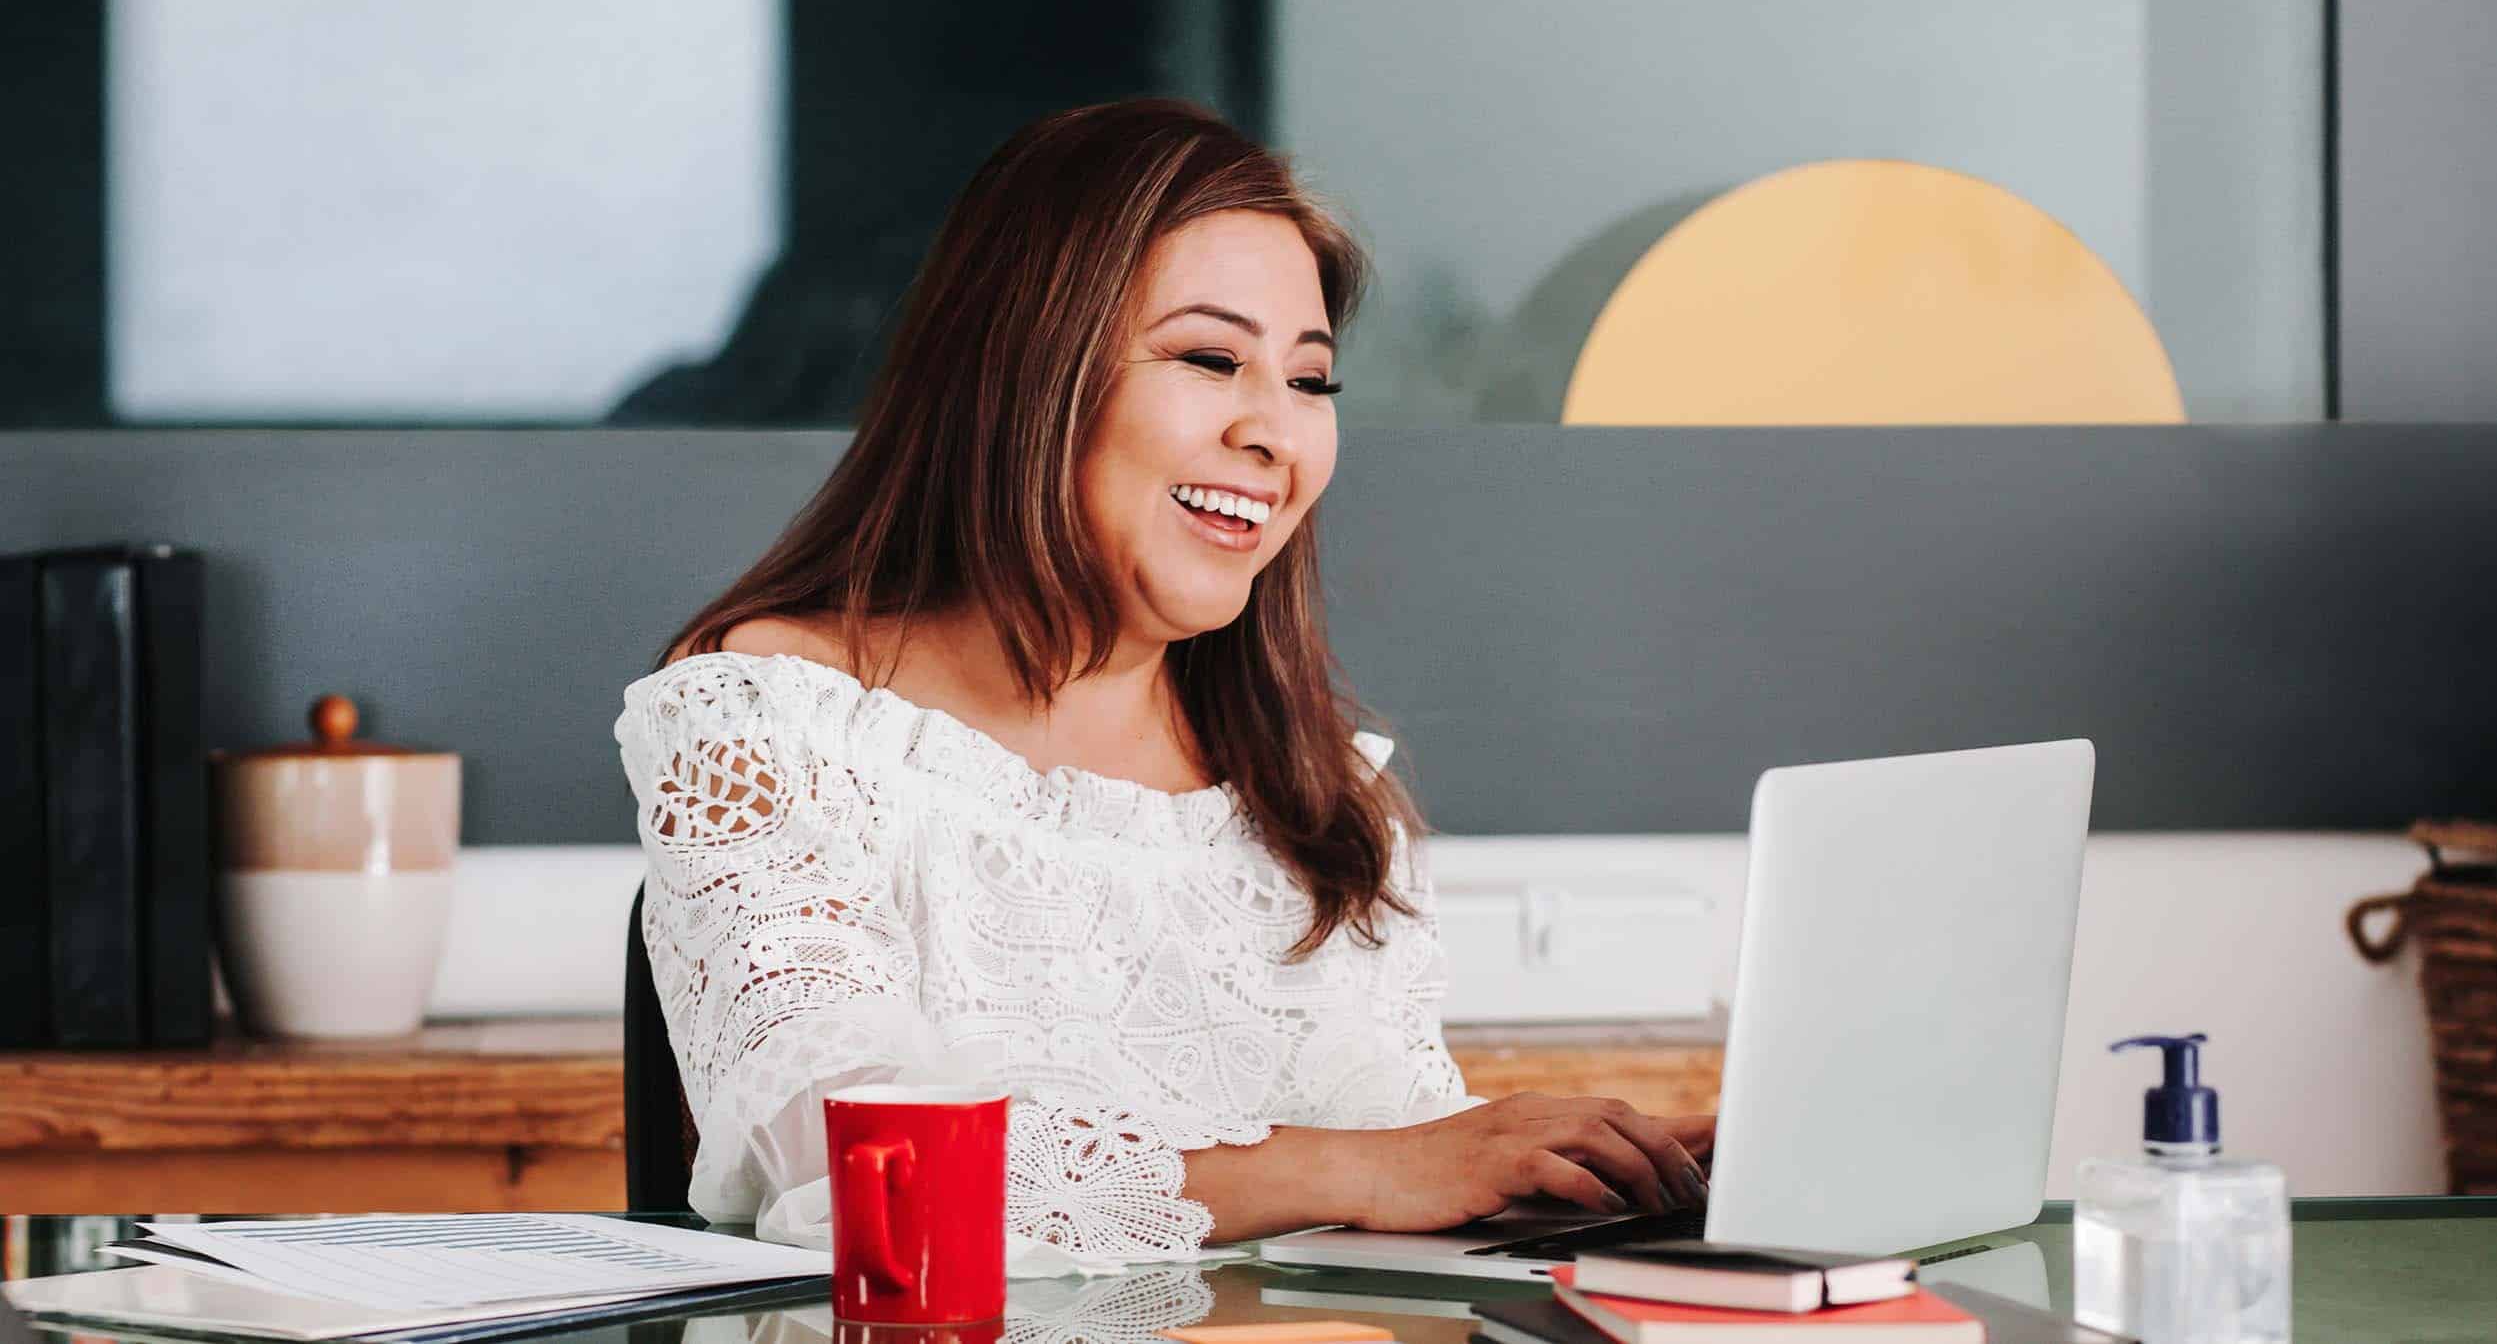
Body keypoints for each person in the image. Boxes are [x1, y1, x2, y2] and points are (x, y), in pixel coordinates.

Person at [614, 99, 1712, 1265]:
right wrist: (1367, 1167)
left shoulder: (1321, 793)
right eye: (1208, 358)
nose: (1276, 432)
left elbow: (1400, 1182)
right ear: (1024, 371)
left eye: (1310, 379)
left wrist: (1594, 1182)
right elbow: (855, 1177)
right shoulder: (763, 714)